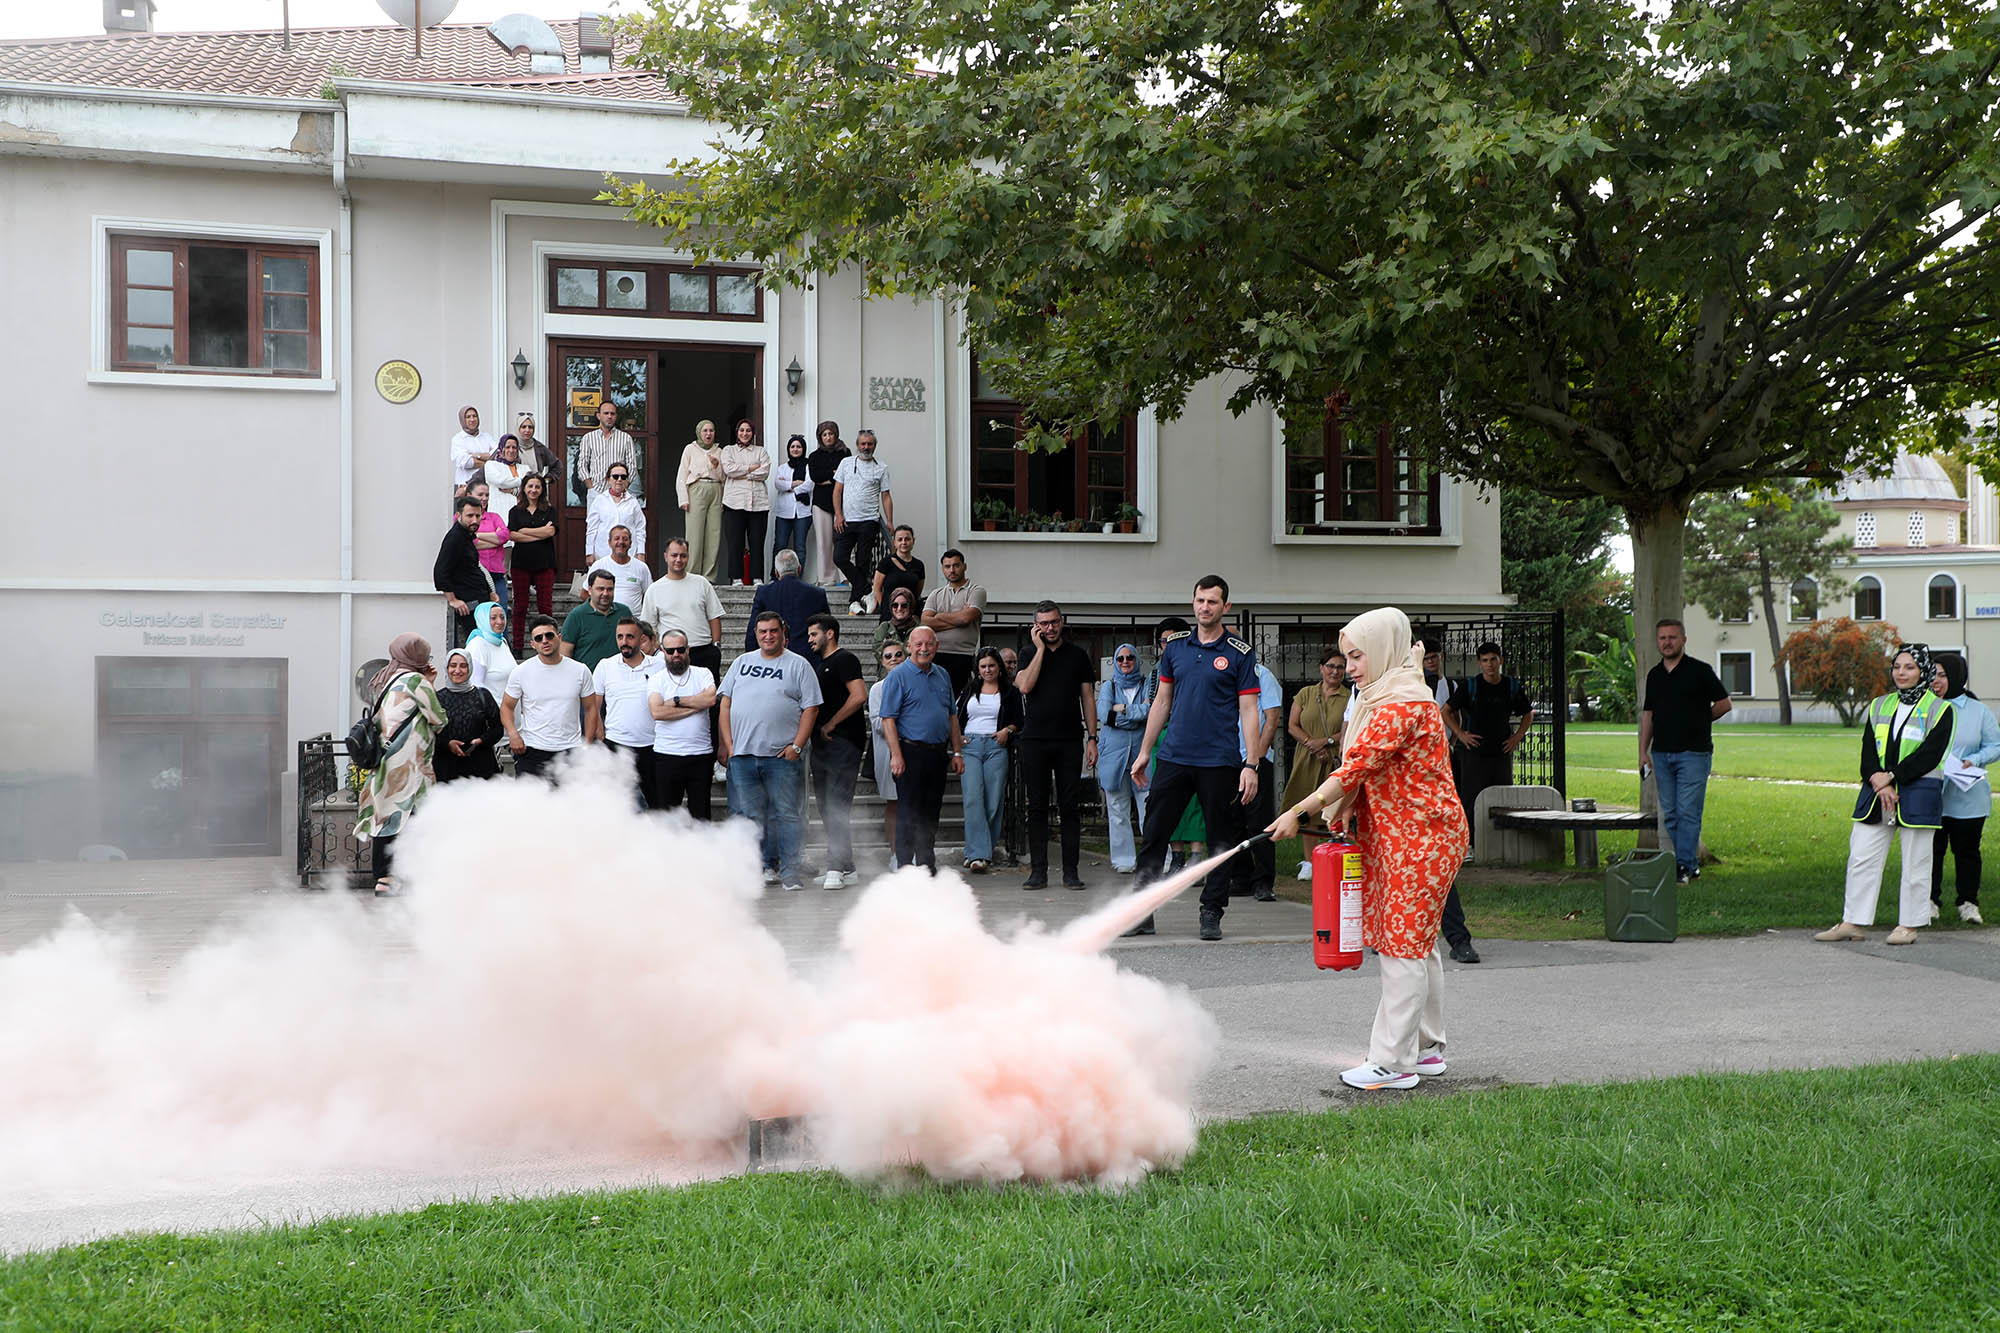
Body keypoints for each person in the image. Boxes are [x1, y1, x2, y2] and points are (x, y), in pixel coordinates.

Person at [1267, 606, 1470, 1091]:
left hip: (1418, 838)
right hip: (1414, 834)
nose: (1352, 667)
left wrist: (1297, 812)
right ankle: (1425, 1050)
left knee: (1402, 948)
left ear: (1382, 650)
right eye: (1346, 658)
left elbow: (1351, 771)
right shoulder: (1396, 694)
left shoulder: (1399, 706)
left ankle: (1392, 1062)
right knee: (1420, 948)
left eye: (1358, 656)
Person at [1124, 578, 1262, 940]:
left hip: (1219, 760)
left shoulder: (1239, 652)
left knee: (1220, 838)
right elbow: (1161, 702)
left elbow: (1249, 708)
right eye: (1200, 600)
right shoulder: (1175, 648)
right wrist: (1143, 753)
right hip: (1174, 756)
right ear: (1193, 603)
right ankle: (1141, 912)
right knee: (1154, 834)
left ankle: (1211, 911)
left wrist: (1252, 764)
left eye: (1213, 602)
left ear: (1225, 607)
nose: (1205, 607)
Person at [1816, 644, 1956, 947]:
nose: (1901, 673)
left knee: (1917, 863)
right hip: (1877, 793)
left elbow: (1928, 756)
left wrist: (1891, 778)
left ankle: (1909, 925)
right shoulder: (1880, 704)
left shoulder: (1941, 709)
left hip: (1918, 793)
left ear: (1924, 671)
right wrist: (1879, 781)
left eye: (1909, 667)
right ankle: (1852, 921)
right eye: (1897, 667)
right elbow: (1868, 751)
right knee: (1861, 857)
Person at [720, 611, 822, 890]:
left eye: (773, 631)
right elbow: (725, 704)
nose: (768, 636)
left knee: (787, 815)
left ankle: (789, 872)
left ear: (783, 633)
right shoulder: (742, 662)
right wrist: (729, 745)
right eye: (763, 631)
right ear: (756, 634)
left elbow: (811, 708)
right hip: (743, 756)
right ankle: (760, 868)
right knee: (750, 816)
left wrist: (797, 746)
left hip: (781, 757)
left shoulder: (799, 665)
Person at [1638, 619, 1733, 884]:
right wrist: (1643, 751)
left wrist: (1700, 720)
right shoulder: (1654, 676)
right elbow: (1649, 714)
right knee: (1670, 813)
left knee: (1687, 812)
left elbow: (1725, 704)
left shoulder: (1700, 671)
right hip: (1662, 754)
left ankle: (1683, 866)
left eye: (1672, 637)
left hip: (1694, 754)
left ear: (1683, 640)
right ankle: (1689, 866)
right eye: (1662, 638)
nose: (1667, 642)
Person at [1013, 601, 1099, 889]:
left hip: (1069, 739)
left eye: (1054, 622)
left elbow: (1087, 697)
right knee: (1036, 806)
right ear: (1036, 625)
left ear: (1062, 622)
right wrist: (1039, 650)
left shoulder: (1078, 655)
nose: (1050, 628)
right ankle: (1038, 871)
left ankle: (1070, 872)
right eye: (1044, 623)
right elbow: (1025, 686)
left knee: (1070, 806)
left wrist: (1092, 738)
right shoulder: (1027, 653)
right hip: (1035, 740)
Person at [354, 634, 446, 895]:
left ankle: (384, 878)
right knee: (416, 818)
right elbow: (438, 718)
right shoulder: (416, 681)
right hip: (410, 765)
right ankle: (415, 874)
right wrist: (429, 683)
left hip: (386, 762)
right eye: (425, 655)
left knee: (386, 818)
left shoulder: (386, 678)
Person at [876, 625, 964, 873]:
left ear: (936, 647)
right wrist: (896, 755)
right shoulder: (898, 676)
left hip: (937, 753)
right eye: (919, 644)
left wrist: (956, 752)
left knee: (930, 812)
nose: (924, 649)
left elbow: (952, 716)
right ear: (909, 647)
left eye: (929, 644)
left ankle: (926, 866)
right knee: (907, 813)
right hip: (909, 753)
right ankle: (905, 867)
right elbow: (888, 719)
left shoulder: (943, 675)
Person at [1931, 657, 1996, 924]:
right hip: (1931, 793)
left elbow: (1996, 745)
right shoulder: (1925, 708)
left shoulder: (1978, 711)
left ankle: (1968, 903)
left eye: (1942, 675)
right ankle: (1929, 901)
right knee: (1931, 851)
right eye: (1932, 675)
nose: (1935, 681)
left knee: (1967, 851)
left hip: (1968, 794)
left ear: (1958, 677)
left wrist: (1976, 760)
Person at [807, 613, 870, 888]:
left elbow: (859, 695)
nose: (810, 639)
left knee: (836, 804)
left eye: (814, 634)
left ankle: (835, 867)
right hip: (823, 746)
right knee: (825, 805)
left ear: (829, 634)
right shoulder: (823, 664)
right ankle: (847, 867)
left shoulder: (845, 659)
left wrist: (831, 723)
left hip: (843, 742)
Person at [1442, 641, 1534, 813]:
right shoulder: (1471, 686)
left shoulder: (1511, 686)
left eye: (1493, 659)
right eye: (1485, 660)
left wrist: (1517, 737)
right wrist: (1460, 734)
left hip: (1501, 751)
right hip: (1474, 752)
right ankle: (1472, 838)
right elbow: (1445, 711)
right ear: (1479, 663)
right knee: (1472, 799)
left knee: (1502, 797)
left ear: (1501, 661)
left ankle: (1499, 837)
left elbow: (1528, 714)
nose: (1489, 664)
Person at [503, 614, 598, 780]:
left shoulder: (580, 670)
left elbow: (591, 708)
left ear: (559, 637)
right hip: (533, 750)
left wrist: (587, 745)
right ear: (532, 644)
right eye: (538, 638)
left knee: (570, 804)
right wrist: (513, 734)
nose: (544, 641)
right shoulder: (521, 671)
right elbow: (506, 706)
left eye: (549, 635)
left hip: (570, 749)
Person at [1282, 647, 1349, 878]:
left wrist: (1326, 742)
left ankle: (1330, 859)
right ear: (1321, 668)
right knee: (1306, 811)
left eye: (1340, 667)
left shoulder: (1349, 697)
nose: (1335, 671)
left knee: (1333, 811)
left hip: (1334, 759)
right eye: (1331, 666)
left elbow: (1348, 729)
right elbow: (1292, 725)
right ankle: (1309, 861)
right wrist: (1312, 743)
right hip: (1307, 758)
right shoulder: (1306, 693)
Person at [960, 646, 1024, 873]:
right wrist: (957, 736)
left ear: (999, 667)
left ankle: (978, 852)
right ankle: (979, 854)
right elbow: (957, 716)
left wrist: (1008, 729)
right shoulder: (969, 689)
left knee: (994, 801)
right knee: (973, 798)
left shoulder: (1010, 692)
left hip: (996, 746)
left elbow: (1019, 720)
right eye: (983, 666)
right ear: (978, 669)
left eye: (991, 666)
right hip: (971, 745)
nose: (987, 670)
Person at [640, 536, 726, 700]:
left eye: (683, 555)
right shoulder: (654, 589)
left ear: (688, 557)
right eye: (674, 555)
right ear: (666, 556)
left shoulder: (702, 583)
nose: (678, 559)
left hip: (703, 651)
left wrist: (716, 646)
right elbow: (648, 627)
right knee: (674, 698)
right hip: (673, 654)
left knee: (710, 700)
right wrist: (659, 652)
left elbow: (714, 617)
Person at [1228, 659, 1284, 903]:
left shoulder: (1261, 674)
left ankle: (1263, 881)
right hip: (1226, 759)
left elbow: (1272, 717)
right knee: (1233, 822)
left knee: (1259, 821)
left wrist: (1258, 756)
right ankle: (1241, 878)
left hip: (1254, 759)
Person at [648, 629, 718, 818]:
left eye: (680, 650)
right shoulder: (657, 679)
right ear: (663, 651)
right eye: (670, 651)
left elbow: (711, 700)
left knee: (701, 817)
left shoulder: (703, 673)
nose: (676, 655)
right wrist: (696, 705)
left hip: (700, 755)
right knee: (667, 819)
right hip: (667, 755)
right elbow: (657, 712)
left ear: (688, 649)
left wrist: (677, 700)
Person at [591, 616, 658, 807]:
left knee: (655, 803)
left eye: (630, 637)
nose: (624, 642)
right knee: (618, 803)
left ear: (641, 638)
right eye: (620, 637)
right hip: (616, 744)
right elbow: (594, 703)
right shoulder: (605, 665)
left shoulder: (658, 666)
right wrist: (598, 729)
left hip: (652, 745)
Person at [833, 428, 893, 610]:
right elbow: (837, 491)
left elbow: (886, 496)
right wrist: (838, 515)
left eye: (870, 444)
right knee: (839, 557)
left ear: (875, 445)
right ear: (857, 445)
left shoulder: (881, 467)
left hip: (869, 521)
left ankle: (854, 601)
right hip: (847, 520)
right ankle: (866, 588)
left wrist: (890, 521)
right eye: (863, 444)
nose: (866, 447)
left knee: (862, 561)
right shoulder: (846, 463)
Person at [433, 648, 502, 783]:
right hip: (446, 769)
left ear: (470, 668)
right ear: (447, 668)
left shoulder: (483, 695)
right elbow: (429, 732)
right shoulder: (437, 698)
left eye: (463, 666)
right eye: (453, 665)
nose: (457, 670)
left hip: (480, 769)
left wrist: (481, 741)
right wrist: (448, 744)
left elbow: (498, 728)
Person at [745, 549, 832, 657]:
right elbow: (828, 628)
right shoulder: (817, 593)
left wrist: (750, 657)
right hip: (808, 656)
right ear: (799, 569)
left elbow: (753, 628)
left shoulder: (764, 592)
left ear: (777, 572)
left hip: (774, 656)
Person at [506, 473, 558, 651]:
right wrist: (540, 531)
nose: (533, 490)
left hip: (545, 563)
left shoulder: (550, 510)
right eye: (530, 486)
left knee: (545, 607)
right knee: (520, 606)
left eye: (537, 486)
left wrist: (525, 532)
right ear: (524, 489)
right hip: (521, 563)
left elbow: (550, 533)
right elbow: (512, 535)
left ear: (542, 489)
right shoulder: (515, 511)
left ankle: (548, 644)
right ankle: (518, 647)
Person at [922, 548, 986, 692]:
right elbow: (926, 621)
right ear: (943, 569)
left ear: (964, 566)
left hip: (963, 656)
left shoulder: (976, 591)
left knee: (957, 700)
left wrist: (939, 616)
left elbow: (965, 618)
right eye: (947, 566)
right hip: (936, 655)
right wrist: (959, 618)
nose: (952, 570)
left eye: (956, 565)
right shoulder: (936, 593)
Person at [719, 418, 772, 586]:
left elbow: (764, 472)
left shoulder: (761, 451)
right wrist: (751, 469)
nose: (745, 433)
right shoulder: (728, 450)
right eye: (741, 430)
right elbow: (729, 470)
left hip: (759, 503)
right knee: (735, 543)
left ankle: (757, 577)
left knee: (757, 542)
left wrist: (742, 473)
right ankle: (736, 577)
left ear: (753, 433)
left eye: (748, 430)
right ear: (737, 432)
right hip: (734, 502)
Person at [868, 639, 908, 862]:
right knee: (893, 803)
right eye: (888, 656)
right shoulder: (877, 689)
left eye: (898, 654)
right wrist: (906, 725)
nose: (893, 659)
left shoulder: (915, 683)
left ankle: (911, 851)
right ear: (882, 662)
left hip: (916, 751)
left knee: (913, 805)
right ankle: (895, 853)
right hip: (888, 754)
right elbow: (877, 722)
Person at [433, 494, 490, 647]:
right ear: (458, 515)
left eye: (478, 516)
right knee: (477, 646)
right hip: (469, 604)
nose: (475, 520)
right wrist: (453, 600)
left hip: (480, 600)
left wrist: (490, 591)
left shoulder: (466, 536)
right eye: (470, 515)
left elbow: (474, 567)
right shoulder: (455, 538)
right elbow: (440, 572)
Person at [676, 418, 726, 582]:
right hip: (696, 489)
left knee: (714, 534)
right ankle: (693, 575)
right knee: (694, 534)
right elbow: (682, 476)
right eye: (705, 431)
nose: (708, 434)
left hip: (716, 489)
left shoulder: (720, 451)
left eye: (711, 430)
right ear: (699, 432)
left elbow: (724, 477)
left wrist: (717, 465)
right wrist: (683, 498)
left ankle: (709, 577)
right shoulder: (690, 449)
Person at [807, 420, 848, 586]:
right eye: (824, 434)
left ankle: (845, 576)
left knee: (844, 540)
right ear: (820, 437)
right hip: (821, 503)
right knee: (824, 542)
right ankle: (826, 578)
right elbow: (815, 477)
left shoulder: (845, 454)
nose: (828, 437)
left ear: (836, 434)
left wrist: (828, 477)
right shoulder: (815, 456)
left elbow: (846, 475)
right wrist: (834, 475)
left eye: (831, 433)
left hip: (843, 503)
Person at [463, 480, 512, 616]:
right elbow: (469, 543)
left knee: (500, 613)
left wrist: (477, 534)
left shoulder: (494, 517)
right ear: (469, 495)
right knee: (480, 615)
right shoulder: (461, 518)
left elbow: (504, 536)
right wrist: (494, 540)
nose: (484, 498)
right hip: (475, 575)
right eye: (480, 495)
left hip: (496, 574)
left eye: (487, 495)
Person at [585, 464, 645, 567]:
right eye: (615, 476)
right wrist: (589, 552)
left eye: (623, 477)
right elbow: (592, 528)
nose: (619, 479)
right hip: (603, 554)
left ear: (627, 480)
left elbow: (640, 529)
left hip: (628, 554)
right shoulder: (599, 500)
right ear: (608, 479)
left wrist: (641, 552)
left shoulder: (633, 502)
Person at [773, 434, 815, 579]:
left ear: (803, 449)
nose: (795, 449)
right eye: (792, 446)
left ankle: (798, 578)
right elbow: (778, 484)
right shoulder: (782, 467)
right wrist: (793, 483)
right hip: (784, 512)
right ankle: (776, 577)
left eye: (798, 447)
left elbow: (809, 485)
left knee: (800, 548)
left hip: (802, 513)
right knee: (780, 545)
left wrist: (790, 488)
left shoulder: (809, 466)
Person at [576, 398, 638, 497]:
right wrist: (590, 487)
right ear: (599, 416)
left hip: (619, 493)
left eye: (612, 414)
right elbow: (582, 464)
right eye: (606, 413)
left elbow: (632, 466)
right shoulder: (588, 438)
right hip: (596, 492)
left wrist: (623, 486)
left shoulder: (626, 438)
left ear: (616, 417)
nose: (609, 416)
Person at [589, 524, 653, 616]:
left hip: (634, 622)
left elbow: (649, 596)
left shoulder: (641, 567)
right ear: (609, 542)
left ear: (630, 543)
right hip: (606, 619)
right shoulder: (599, 565)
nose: (621, 542)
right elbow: (585, 593)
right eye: (617, 538)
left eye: (625, 539)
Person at [463, 600, 515, 705]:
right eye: (493, 618)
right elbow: (475, 686)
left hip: (510, 713)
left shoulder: (502, 642)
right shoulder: (477, 645)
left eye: (502, 617)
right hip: (492, 715)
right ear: (483, 619)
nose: (499, 622)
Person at [872, 524, 926, 621]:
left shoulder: (919, 565)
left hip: (910, 615)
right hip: (889, 615)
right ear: (895, 543)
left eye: (907, 539)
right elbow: (877, 588)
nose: (904, 542)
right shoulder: (885, 563)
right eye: (900, 539)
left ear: (913, 541)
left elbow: (917, 592)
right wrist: (885, 606)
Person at [450, 405, 494, 494]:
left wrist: (475, 455)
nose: (472, 419)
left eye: (474, 416)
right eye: (468, 417)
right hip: (466, 488)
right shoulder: (458, 439)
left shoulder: (487, 437)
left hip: (486, 487)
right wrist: (488, 461)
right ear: (463, 420)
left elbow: (496, 455)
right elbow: (465, 462)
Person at [483, 434, 527, 521]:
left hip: (521, 515)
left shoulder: (525, 468)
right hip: (499, 514)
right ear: (501, 448)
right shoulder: (491, 465)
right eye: (507, 447)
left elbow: (528, 489)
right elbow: (500, 481)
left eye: (514, 447)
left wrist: (513, 490)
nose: (511, 450)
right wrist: (522, 481)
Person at [515, 411, 560, 484]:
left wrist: (547, 480)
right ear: (518, 428)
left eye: (530, 427)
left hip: (536, 491)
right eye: (523, 427)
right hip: (516, 491)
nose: (527, 430)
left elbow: (557, 465)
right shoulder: (510, 446)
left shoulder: (540, 448)